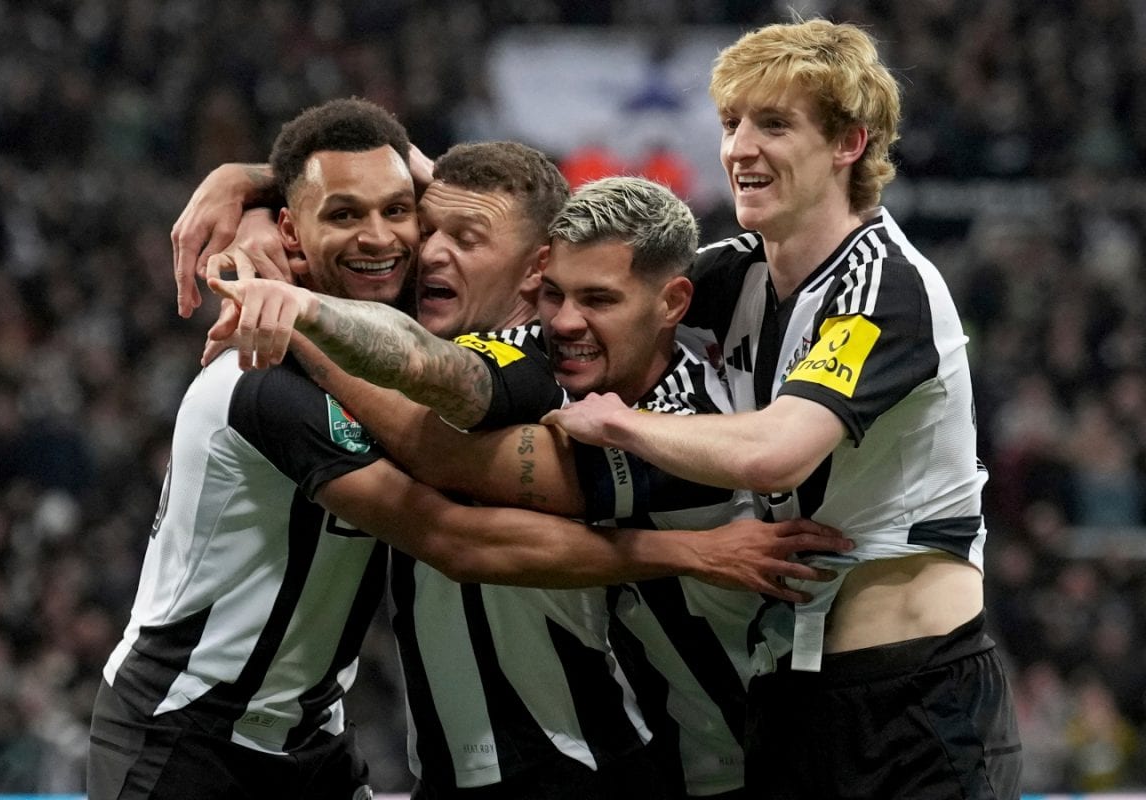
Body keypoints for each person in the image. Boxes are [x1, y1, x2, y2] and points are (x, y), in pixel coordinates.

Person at [90, 99, 790, 800]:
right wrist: (245, 185)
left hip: (567, 763)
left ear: (535, 267)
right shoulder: (288, 366)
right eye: (426, 229)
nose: (422, 249)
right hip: (196, 730)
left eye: (463, 237)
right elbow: (372, 170)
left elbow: (449, 478)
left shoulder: (545, 363)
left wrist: (297, 307)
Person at [211, 175, 851, 799]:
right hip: (646, 751)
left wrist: (298, 312)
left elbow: (442, 465)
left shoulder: (688, 426)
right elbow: (435, 182)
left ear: (672, 304)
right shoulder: (550, 358)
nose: (566, 321)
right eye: (554, 294)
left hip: (746, 758)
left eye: (598, 300)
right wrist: (252, 192)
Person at [540, 18, 1024, 799]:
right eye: (731, 123)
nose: (739, 148)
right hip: (786, 699)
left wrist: (617, 421)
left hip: (914, 700)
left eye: (773, 124)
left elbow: (776, 453)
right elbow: (609, 308)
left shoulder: (884, 285)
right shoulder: (738, 273)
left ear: (849, 144)